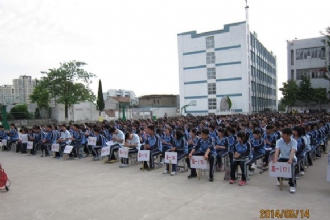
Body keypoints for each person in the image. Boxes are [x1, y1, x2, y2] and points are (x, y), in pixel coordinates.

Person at [272, 128, 297, 194]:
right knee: (277, 165)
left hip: (291, 158)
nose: (282, 135)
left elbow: (293, 151)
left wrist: (290, 159)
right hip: (282, 157)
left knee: (291, 169)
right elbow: (277, 150)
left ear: (288, 135)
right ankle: (279, 180)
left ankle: (292, 185)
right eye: (282, 133)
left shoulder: (294, 141)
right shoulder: (279, 141)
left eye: (284, 134)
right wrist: (275, 159)